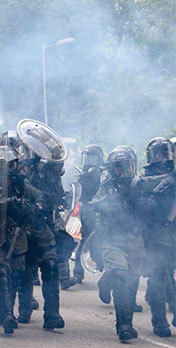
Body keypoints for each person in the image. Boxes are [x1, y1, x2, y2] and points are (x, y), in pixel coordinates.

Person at [15, 119, 66, 330]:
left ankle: (52, 314)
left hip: (43, 227)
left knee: (51, 267)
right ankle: (24, 309)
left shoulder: (48, 173)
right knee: (24, 271)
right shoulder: (15, 172)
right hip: (22, 229)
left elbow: (57, 194)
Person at [91, 146, 143, 341]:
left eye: (129, 166)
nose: (126, 171)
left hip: (134, 238)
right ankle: (124, 326)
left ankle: (105, 281)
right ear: (113, 169)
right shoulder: (107, 186)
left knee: (132, 280)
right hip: (112, 239)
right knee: (121, 276)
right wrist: (110, 203)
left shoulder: (139, 184)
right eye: (121, 167)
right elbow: (95, 203)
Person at [131, 137, 176, 337]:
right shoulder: (142, 181)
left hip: (172, 233)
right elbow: (134, 207)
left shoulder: (172, 176)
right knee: (160, 276)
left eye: (167, 152)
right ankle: (159, 321)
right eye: (160, 153)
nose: (164, 157)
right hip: (155, 236)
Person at [72, 144, 105, 284]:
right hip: (87, 210)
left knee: (100, 240)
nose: (89, 160)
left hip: (101, 210)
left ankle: (103, 267)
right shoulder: (85, 175)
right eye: (87, 157)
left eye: (92, 157)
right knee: (86, 239)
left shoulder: (103, 174)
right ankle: (78, 272)